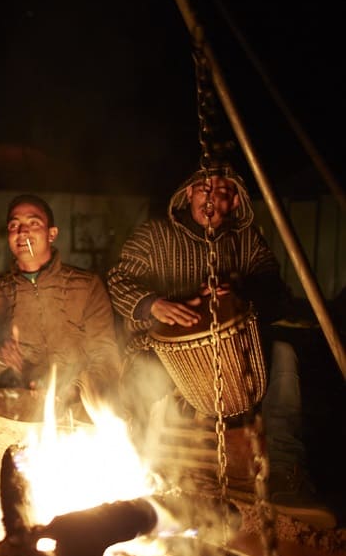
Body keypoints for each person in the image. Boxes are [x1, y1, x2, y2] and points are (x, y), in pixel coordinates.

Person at [106, 164, 336, 530]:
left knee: (284, 353)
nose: (212, 198)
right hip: (160, 350)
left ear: (234, 203)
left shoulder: (245, 241)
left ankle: (286, 469)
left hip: (236, 354)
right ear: (188, 195)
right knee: (147, 373)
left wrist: (241, 292)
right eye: (204, 189)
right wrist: (153, 304)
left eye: (224, 192)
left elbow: (273, 287)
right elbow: (118, 279)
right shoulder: (154, 236)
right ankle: (153, 472)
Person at [0, 194, 122, 419]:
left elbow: (106, 356)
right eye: (14, 225)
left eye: (33, 223)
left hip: (79, 409)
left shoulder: (86, 286)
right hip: (15, 408)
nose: (23, 232)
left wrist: (71, 388)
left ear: (52, 234)